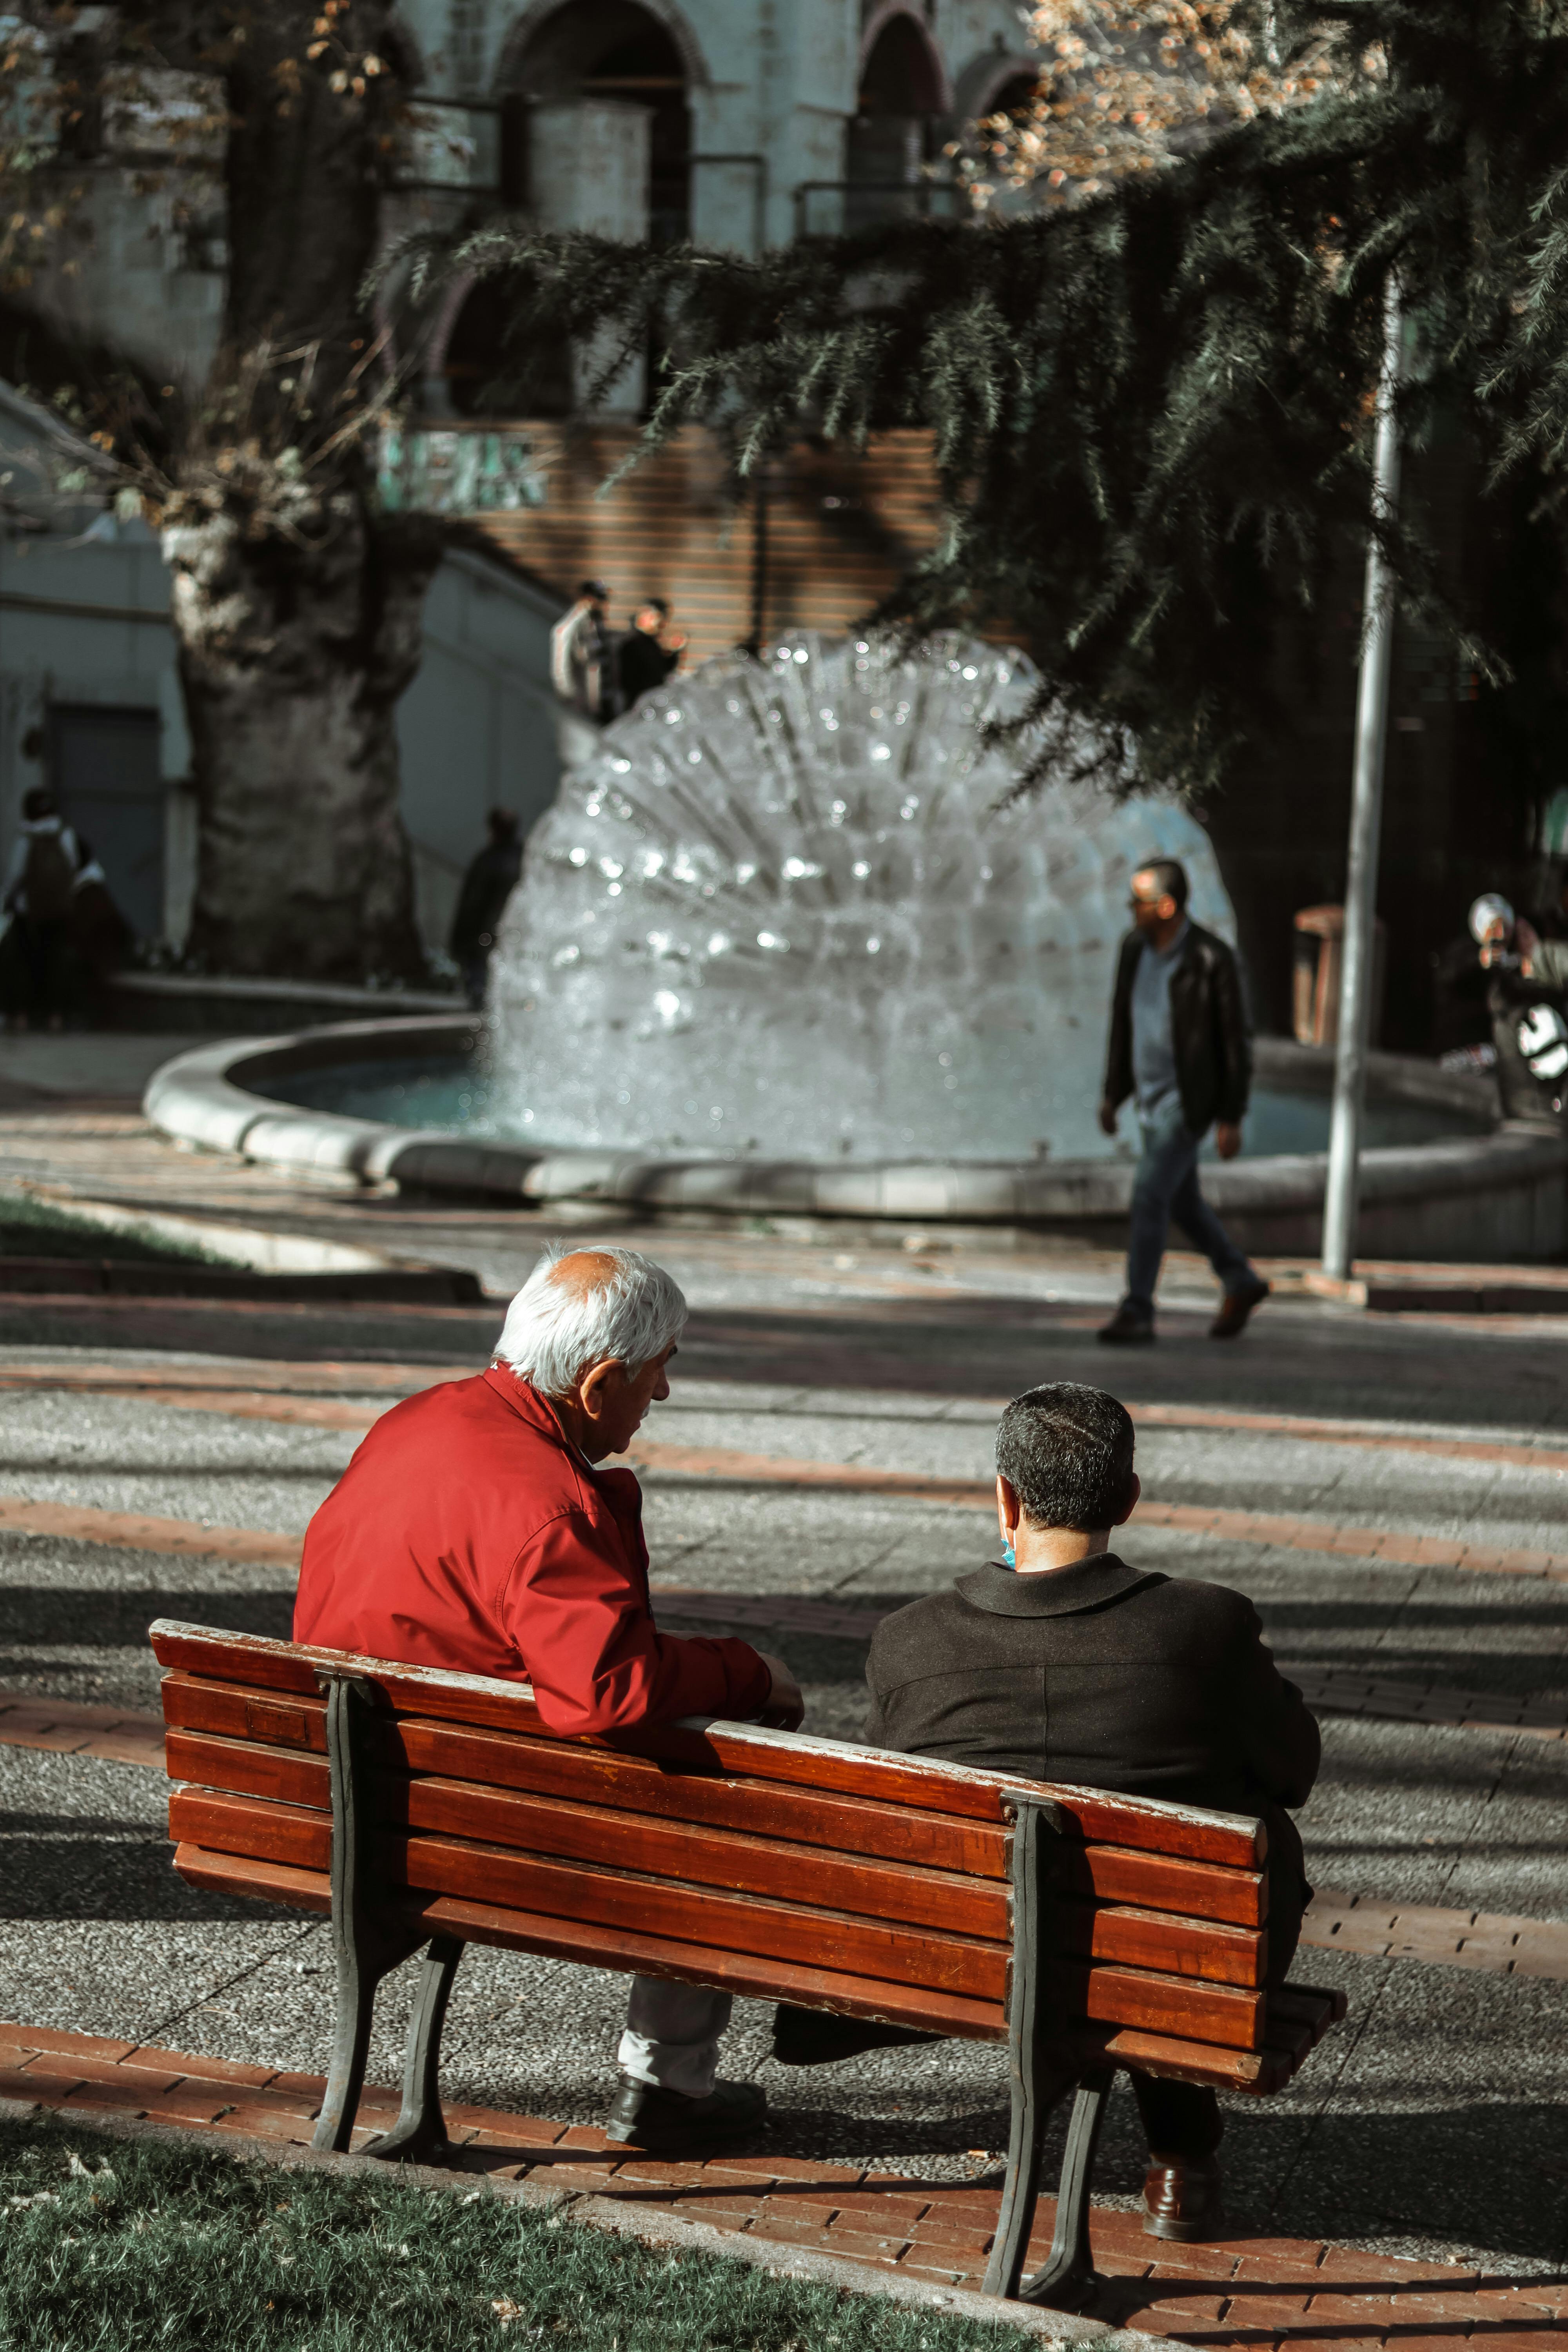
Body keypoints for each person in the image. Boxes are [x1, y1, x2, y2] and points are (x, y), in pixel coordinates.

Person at [775, 1383, 1319, 2245]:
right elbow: (1292, 1772)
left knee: (1079, 1905)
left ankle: (1178, 2144)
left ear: (1003, 1497)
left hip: (961, 1952)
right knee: (1164, 1893)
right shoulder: (1206, 1629)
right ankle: (1180, 2155)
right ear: (1128, 1500)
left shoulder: (908, 1641)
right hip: (1175, 1956)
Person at [293, 1244, 804, 2152]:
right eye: (659, 1374)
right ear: (601, 1382)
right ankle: (668, 2083)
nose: (664, 1396)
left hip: (336, 1795)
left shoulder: (414, 1421)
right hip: (467, 1822)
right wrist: (750, 1674)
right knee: (724, 1784)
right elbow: (610, 1694)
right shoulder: (550, 1503)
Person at [1097, 858, 1269, 1344]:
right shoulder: (1134, 949)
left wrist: (1231, 1115)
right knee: (1184, 1204)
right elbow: (1122, 1024)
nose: (1131, 909)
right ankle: (1240, 1279)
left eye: (1139, 901)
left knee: (1150, 1195)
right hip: (1150, 1102)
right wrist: (1113, 1095)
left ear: (1167, 906)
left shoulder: (1211, 958)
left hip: (1186, 1103)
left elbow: (1236, 1042)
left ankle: (1138, 1309)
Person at [0, 787, 89, 1029]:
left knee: (23, 964)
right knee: (56, 964)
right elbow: (73, 867)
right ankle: (55, 1017)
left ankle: (21, 1016)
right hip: (59, 911)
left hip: (29, 912)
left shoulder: (26, 839)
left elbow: (15, 876)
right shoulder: (65, 835)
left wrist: (7, 901)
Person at [449, 808, 523, 1007]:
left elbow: (472, 904)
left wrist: (459, 942)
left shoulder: (487, 861)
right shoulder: (523, 860)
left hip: (483, 939)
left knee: (481, 999)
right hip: (512, 937)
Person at [550, 579, 617, 722]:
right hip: (582, 706)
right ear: (588, 599)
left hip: (602, 702)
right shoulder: (571, 627)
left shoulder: (597, 624)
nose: (604, 604)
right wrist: (572, 701)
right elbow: (561, 669)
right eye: (600, 599)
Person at [617, 597, 685, 711]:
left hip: (652, 700)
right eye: (658, 618)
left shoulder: (652, 643)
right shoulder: (632, 643)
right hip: (639, 703)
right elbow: (629, 680)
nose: (663, 624)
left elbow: (663, 669)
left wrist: (675, 652)